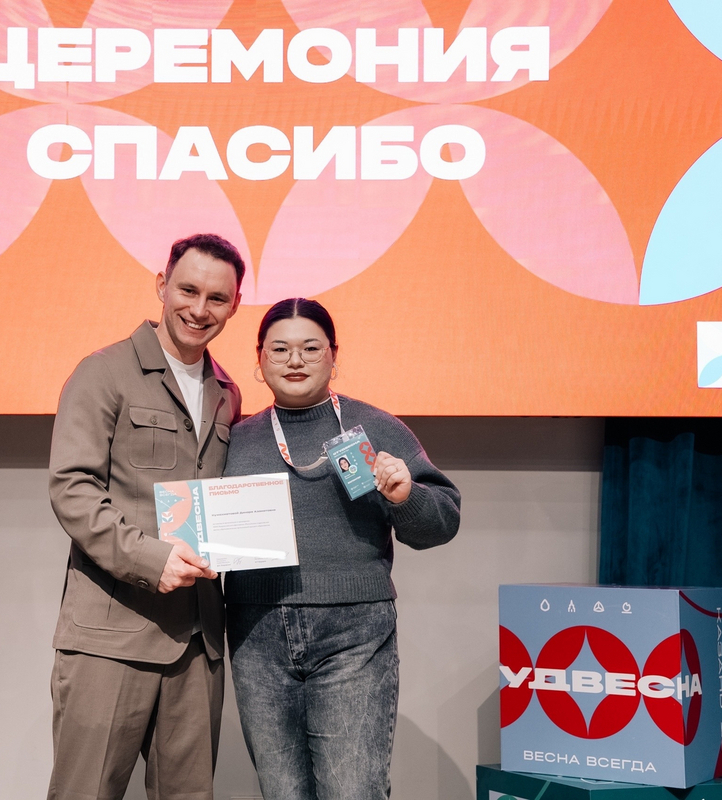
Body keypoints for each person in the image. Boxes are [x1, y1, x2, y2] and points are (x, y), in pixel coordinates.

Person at [223, 297, 461, 800]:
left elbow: (443, 521)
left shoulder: (375, 426)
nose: (295, 360)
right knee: (281, 792)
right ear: (259, 358)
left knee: (352, 791)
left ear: (334, 354)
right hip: (256, 635)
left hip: (354, 632)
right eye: (279, 349)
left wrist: (406, 496)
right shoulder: (233, 438)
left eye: (311, 348)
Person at [47, 233, 245, 800]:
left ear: (234, 305)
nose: (199, 309)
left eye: (216, 298)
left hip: (198, 643)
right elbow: (72, 488)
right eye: (187, 290)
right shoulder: (103, 371)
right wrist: (150, 559)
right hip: (108, 637)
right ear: (162, 286)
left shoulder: (228, 392)